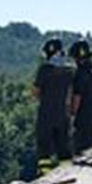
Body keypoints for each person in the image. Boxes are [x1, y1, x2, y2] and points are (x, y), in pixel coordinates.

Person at [32, 38, 75, 175]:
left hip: (46, 113)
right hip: (63, 114)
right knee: (63, 145)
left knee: (44, 146)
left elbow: (36, 91)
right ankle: (66, 174)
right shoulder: (69, 70)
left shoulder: (44, 70)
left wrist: (44, 98)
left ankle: (45, 175)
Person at [69, 39, 92, 154]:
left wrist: (72, 114)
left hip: (83, 118)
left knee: (82, 152)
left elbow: (77, 98)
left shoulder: (79, 75)